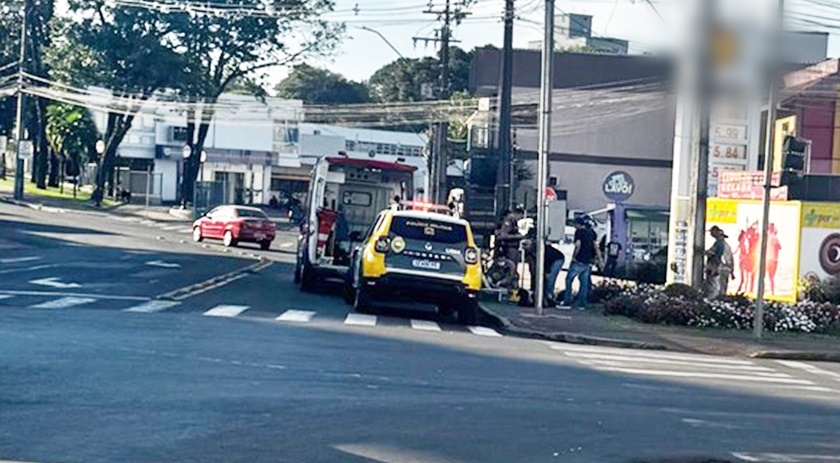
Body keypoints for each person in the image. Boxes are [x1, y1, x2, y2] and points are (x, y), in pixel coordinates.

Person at [560, 217, 601, 310]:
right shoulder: (592, 232)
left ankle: (567, 301)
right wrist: (599, 259)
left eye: (575, 224)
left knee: (569, 279)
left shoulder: (579, 232)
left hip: (579, 260)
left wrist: (573, 257)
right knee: (584, 283)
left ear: (578, 224)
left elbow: (578, 245)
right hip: (588, 261)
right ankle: (582, 304)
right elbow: (596, 246)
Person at [706, 225, 733, 297]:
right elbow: (731, 260)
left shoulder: (720, 244)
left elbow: (715, 255)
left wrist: (703, 252)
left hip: (719, 268)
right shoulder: (727, 245)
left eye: (712, 232)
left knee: (715, 289)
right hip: (724, 269)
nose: (711, 234)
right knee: (722, 288)